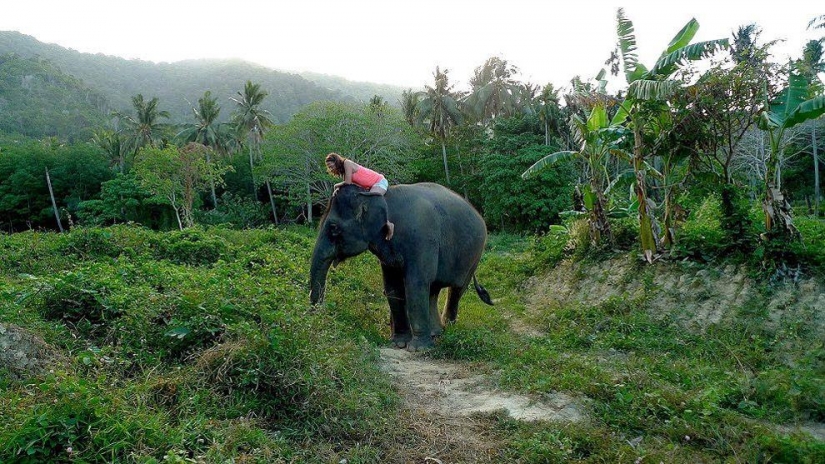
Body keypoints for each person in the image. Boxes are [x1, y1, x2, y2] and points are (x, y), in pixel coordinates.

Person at [325, 152, 395, 240]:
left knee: (371, 202)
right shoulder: (344, 172)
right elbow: (347, 186)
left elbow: (348, 182)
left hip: (379, 182)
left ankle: (388, 224)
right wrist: (338, 190)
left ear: (336, 162)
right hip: (370, 187)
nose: (331, 169)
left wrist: (336, 186)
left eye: (331, 166)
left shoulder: (347, 163)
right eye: (329, 167)